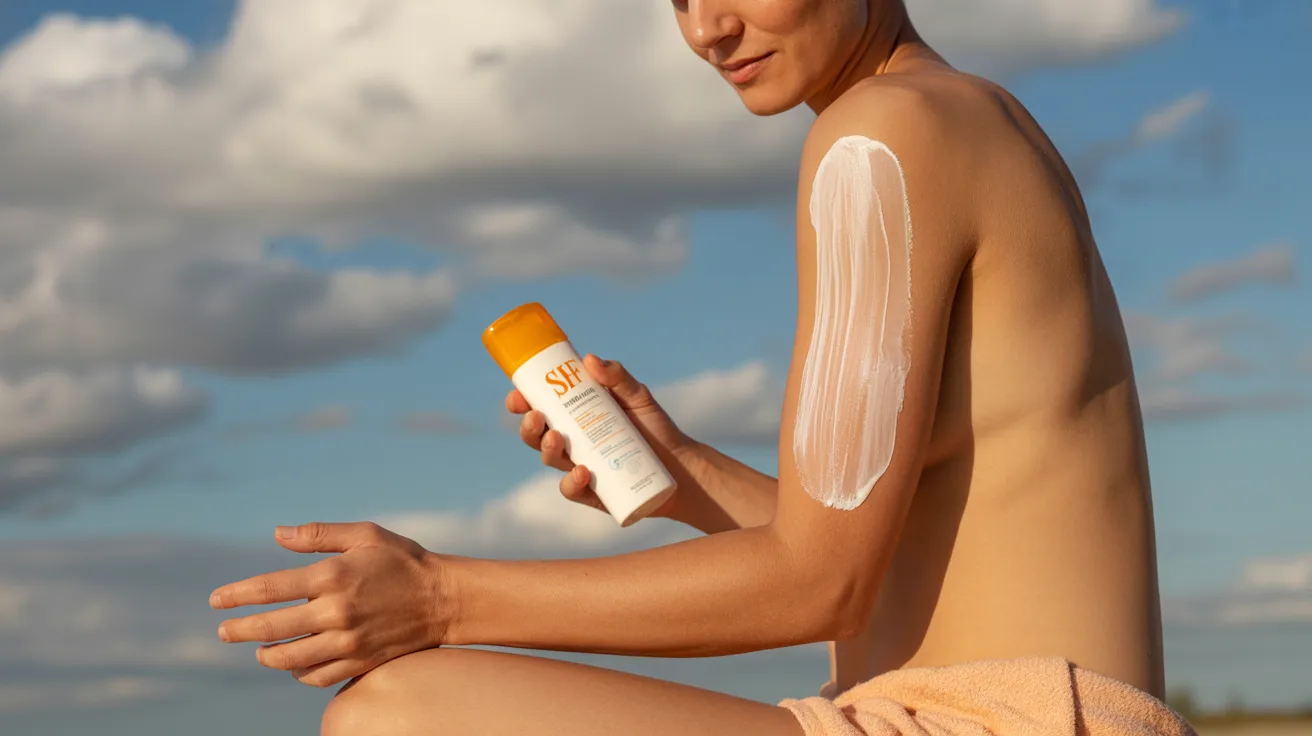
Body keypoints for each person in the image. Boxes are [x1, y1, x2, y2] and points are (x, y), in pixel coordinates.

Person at [209, 1, 1198, 733]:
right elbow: (898, 558)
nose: (706, 30)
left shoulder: (884, 134)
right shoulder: (969, 119)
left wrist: (439, 596)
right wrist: (688, 476)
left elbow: (821, 587)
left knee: (401, 714)